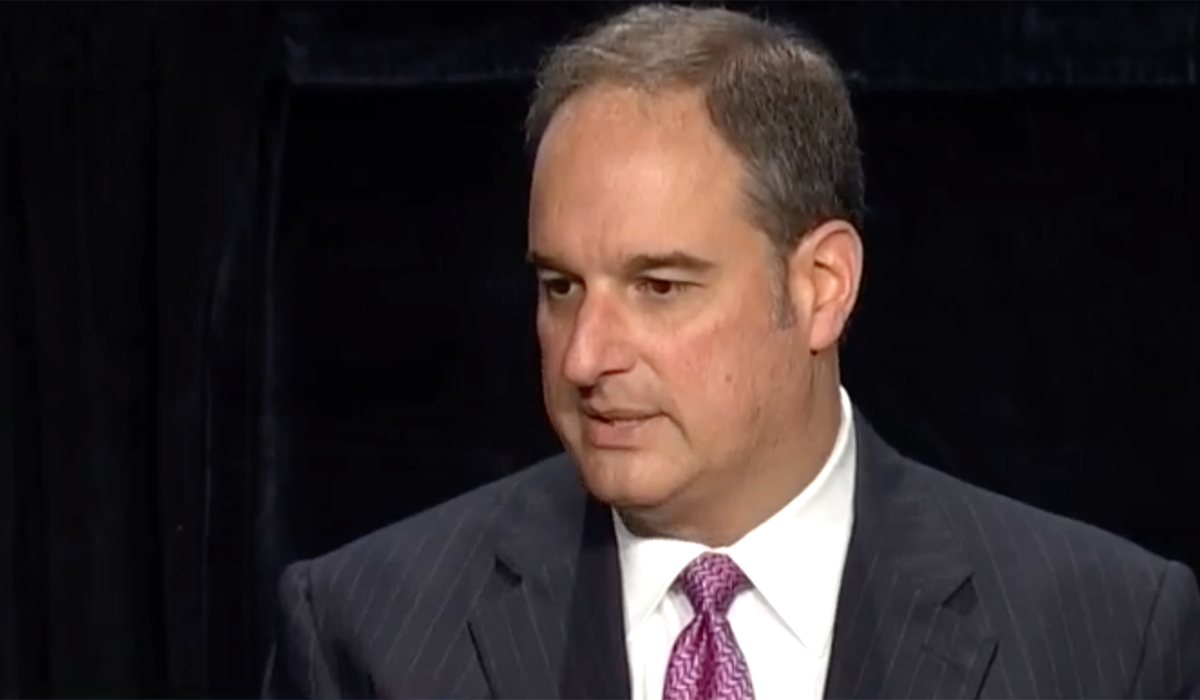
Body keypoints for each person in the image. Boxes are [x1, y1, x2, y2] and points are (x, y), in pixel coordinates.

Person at [262, 4, 1200, 699]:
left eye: (659, 287)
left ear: (822, 285)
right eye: (560, 287)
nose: (584, 358)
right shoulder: (369, 633)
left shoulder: (1105, 639)